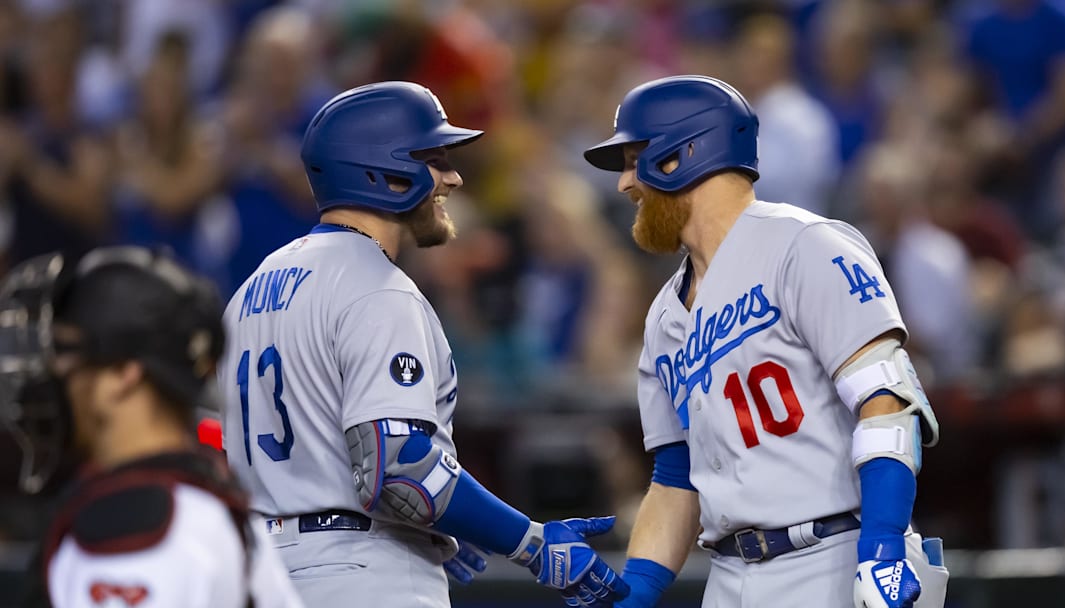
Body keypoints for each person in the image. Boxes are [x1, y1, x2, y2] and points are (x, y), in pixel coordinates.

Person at [218, 81, 628, 608]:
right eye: (434, 159)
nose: (453, 178)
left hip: (261, 574)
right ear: (384, 171)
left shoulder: (251, 290)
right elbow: (401, 469)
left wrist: (424, 525)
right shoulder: (376, 287)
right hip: (361, 578)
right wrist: (534, 544)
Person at [582, 75, 951, 608]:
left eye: (632, 159)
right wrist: (633, 594)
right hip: (729, 575)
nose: (623, 185)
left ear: (678, 156)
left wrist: (882, 549)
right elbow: (675, 479)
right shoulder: (664, 315)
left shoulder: (805, 245)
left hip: (832, 554)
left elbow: (887, 403)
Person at [0, 246, 303, 607]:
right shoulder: (209, 500)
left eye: (65, 350)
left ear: (122, 374)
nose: (53, 371)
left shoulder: (141, 520)